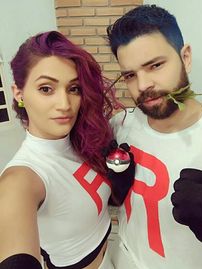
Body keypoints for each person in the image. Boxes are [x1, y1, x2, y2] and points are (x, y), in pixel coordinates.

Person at [106, 4, 202, 269]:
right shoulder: (120, 126)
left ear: (185, 56)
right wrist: (114, 191)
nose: (143, 85)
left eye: (155, 65)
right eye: (130, 75)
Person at [0, 31, 135, 269]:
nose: (64, 105)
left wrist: (119, 182)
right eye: (46, 89)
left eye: (73, 89)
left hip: (112, 257)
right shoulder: (21, 179)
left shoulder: (81, 141)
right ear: (19, 93)